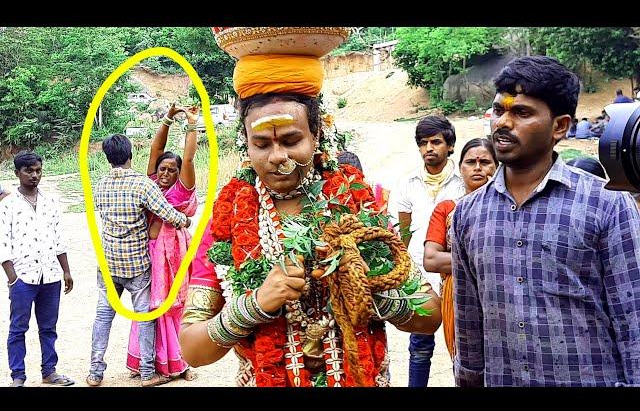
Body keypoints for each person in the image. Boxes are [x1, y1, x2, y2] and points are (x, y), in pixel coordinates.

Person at [179, 28, 442, 387]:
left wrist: (364, 289)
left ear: (317, 134)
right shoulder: (226, 219)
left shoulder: (356, 205)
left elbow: (429, 314)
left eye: (291, 140)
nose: (278, 158)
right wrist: (256, 303)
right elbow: (193, 350)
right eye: (261, 144)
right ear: (246, 144)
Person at [452, 55, 640, 386]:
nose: (502, 123)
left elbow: (634, 317)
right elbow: (468, 321)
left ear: (560, 126)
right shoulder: (468, 213)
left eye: (521, 113)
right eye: (499, 110)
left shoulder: (607, 204)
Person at [87, 134, 192, 387]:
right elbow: (168, 214)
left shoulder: (100, 185)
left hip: (110, 263)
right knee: (145, 316)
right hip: (137, 265)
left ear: (108, 157)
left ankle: (95, 372)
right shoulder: (143, 185)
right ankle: (147, 374)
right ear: (130, 155)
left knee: (103, 317)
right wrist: (186, 221)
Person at [125, 104, 199, 382]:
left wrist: (191, 123)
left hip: (174, 256)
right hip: (149, 253)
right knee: (148, 306)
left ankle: (179, 363)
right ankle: (147, 362)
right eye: (162, 169)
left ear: (179, 172)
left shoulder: (182, 189)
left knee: (174, 307)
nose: (165, 173)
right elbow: (156, 150)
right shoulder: (152, 184)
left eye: (171, 169)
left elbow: (189, 159)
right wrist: (168, 118)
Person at [390, 115, 464, 387]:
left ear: (450, 146)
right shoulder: (407, 183)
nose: (429, 148)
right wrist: (404, 277)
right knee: (419, 346)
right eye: (423, 143)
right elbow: (402, 234)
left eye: (436, 142)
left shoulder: (464, 180)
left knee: (463, 347)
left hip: (457, 276)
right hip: (420, 278)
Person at [0, 151, 75, 387]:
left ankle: (49, 371)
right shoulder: (8, 205)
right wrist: (13, 278)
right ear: (17, 173)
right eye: (29, 171)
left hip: (50, 274)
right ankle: (18, 376)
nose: (35, 175)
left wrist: (66, 270)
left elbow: (59, 238)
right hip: (23, 277)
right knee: (18, 328)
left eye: (38, 171)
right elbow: (3, 242)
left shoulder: (50, 201)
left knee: (48, 327)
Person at [423, 138, 498, 360]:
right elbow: (432, 259)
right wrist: (489, 258)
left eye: (485, 162)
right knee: (466, 363)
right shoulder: (447, 209)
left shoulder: (509, 209)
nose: (477, 167)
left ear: (497, 166)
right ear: (460, 168)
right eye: (470, 162)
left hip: (501, 295)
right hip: (458, 297)